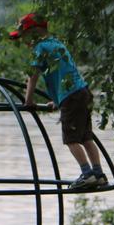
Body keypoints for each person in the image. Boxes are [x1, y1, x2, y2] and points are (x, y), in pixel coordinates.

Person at [10, 13, 107, 190]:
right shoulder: (57, 44)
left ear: (34, 32)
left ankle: (87, 174)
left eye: (24, 36)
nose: (24, 42)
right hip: (81, 92)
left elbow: (33, 76)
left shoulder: (40, 48)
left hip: (71, 97)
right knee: (86, 136)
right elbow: (63, 74)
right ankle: (99, 173)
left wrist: (29, 100)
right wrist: (57, 101)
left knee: (71, 140)